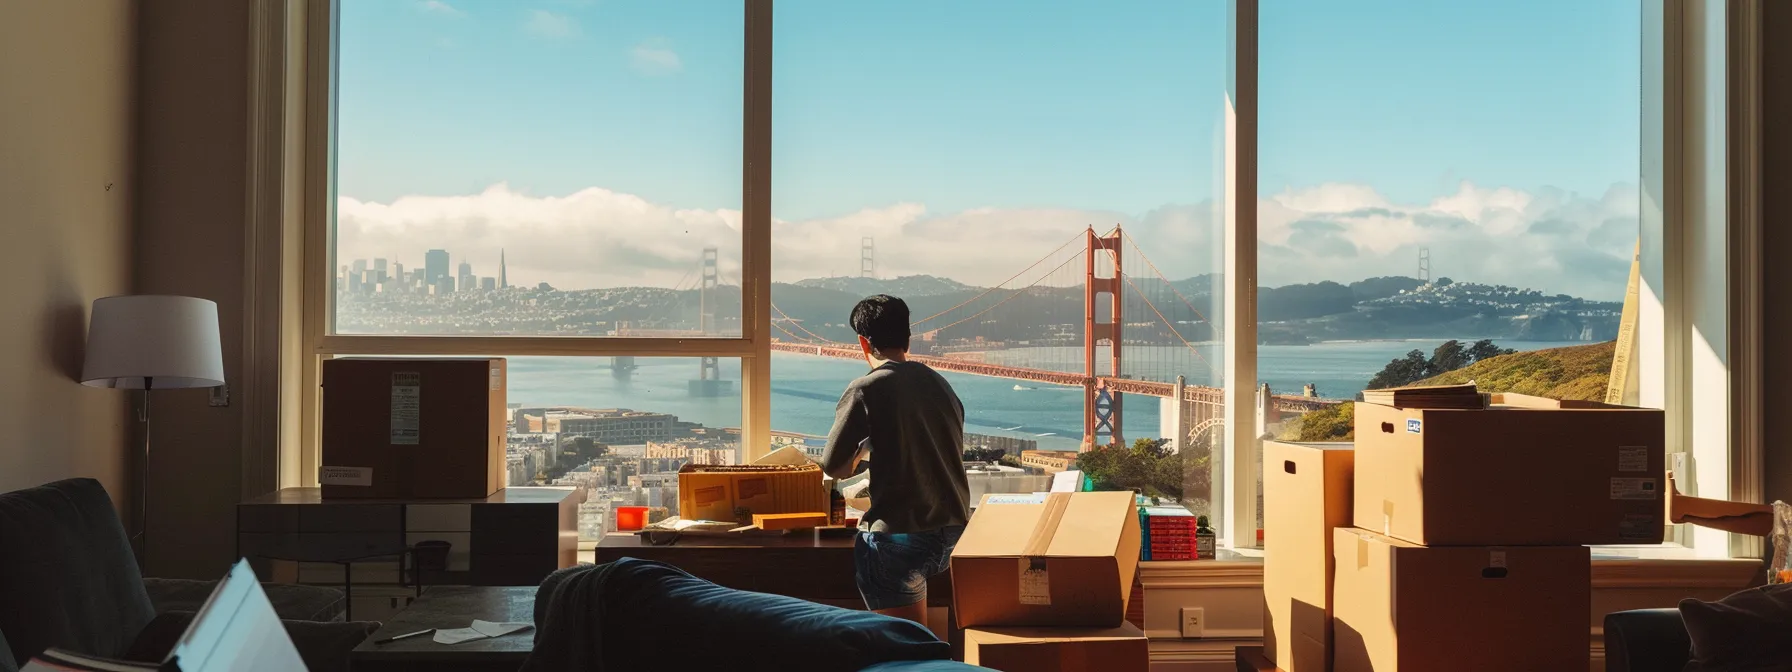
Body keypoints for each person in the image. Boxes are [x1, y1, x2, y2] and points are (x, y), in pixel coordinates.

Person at [820, 294, 971, 630]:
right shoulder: (940, 383)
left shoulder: (866, 388)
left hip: (902, 535)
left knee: (902, 647)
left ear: (863, 342)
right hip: (951, 533)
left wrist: (860, 455)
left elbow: (833, 466)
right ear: (908, 337)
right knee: (919, 641)